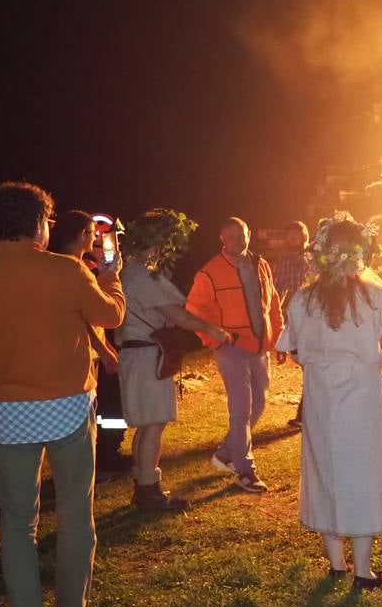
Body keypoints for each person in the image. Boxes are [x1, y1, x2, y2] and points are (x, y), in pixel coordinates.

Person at [0, 181, 126, 607]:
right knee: (74, 516)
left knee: (17, 527)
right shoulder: (64, 270)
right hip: (68, 408)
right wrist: (111, 277)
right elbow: (110, 315)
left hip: (7, 415)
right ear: (38, 224)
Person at [276, 212, 382, 588]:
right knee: (362, 470)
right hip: (361, 393)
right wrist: (375, 363)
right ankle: (363, 570)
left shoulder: (303, 300)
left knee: (326, 467)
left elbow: (292, 350)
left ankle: (337, 563)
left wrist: (319, 365)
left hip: (321, 395)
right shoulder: (373, 296)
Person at [117, 209, 230, 512]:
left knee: (147, 425)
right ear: (157, 241)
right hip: (145, 356)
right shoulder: (141, 272)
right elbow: (176, 314)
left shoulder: (134, 270)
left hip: (139, 353)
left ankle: (144, 488)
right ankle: (149, 492)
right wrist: (211, 328)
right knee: (153, 425)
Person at [187, 216, 285, 493]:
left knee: (259, 405)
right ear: (222, 239)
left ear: (248, 234)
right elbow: (194, 310)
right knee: (241, 410)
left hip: (259, 346)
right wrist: (215, 339)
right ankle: (245, 471)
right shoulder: (209, 272)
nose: (237, 241)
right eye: (231, 237)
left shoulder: (260, 264)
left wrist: (277, 340)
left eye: (241, 235)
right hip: (231, 348)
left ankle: (225, 454)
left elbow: (273, 303)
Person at [48, 210, 130, 480]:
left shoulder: (67, 266)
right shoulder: (74, 270)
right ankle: (95, 461)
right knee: (91, 413)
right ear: (83, 235)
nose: (97, 239)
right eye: (94, 234)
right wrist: (111, 275)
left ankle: (103, 454)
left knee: (100, 410)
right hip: (81, 356)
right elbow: (105, 315)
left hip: (82, 354)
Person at [272, 221, 311, 432]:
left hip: (316, 318)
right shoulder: (286, 262)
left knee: (311, 367)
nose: (291, 242)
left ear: (304, 236)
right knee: (308, 365)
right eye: (288, 238)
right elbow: (278, 290)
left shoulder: (316, 258)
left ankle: (305, 414)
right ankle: (306, 414)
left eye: (294, 237)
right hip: (298, 320)